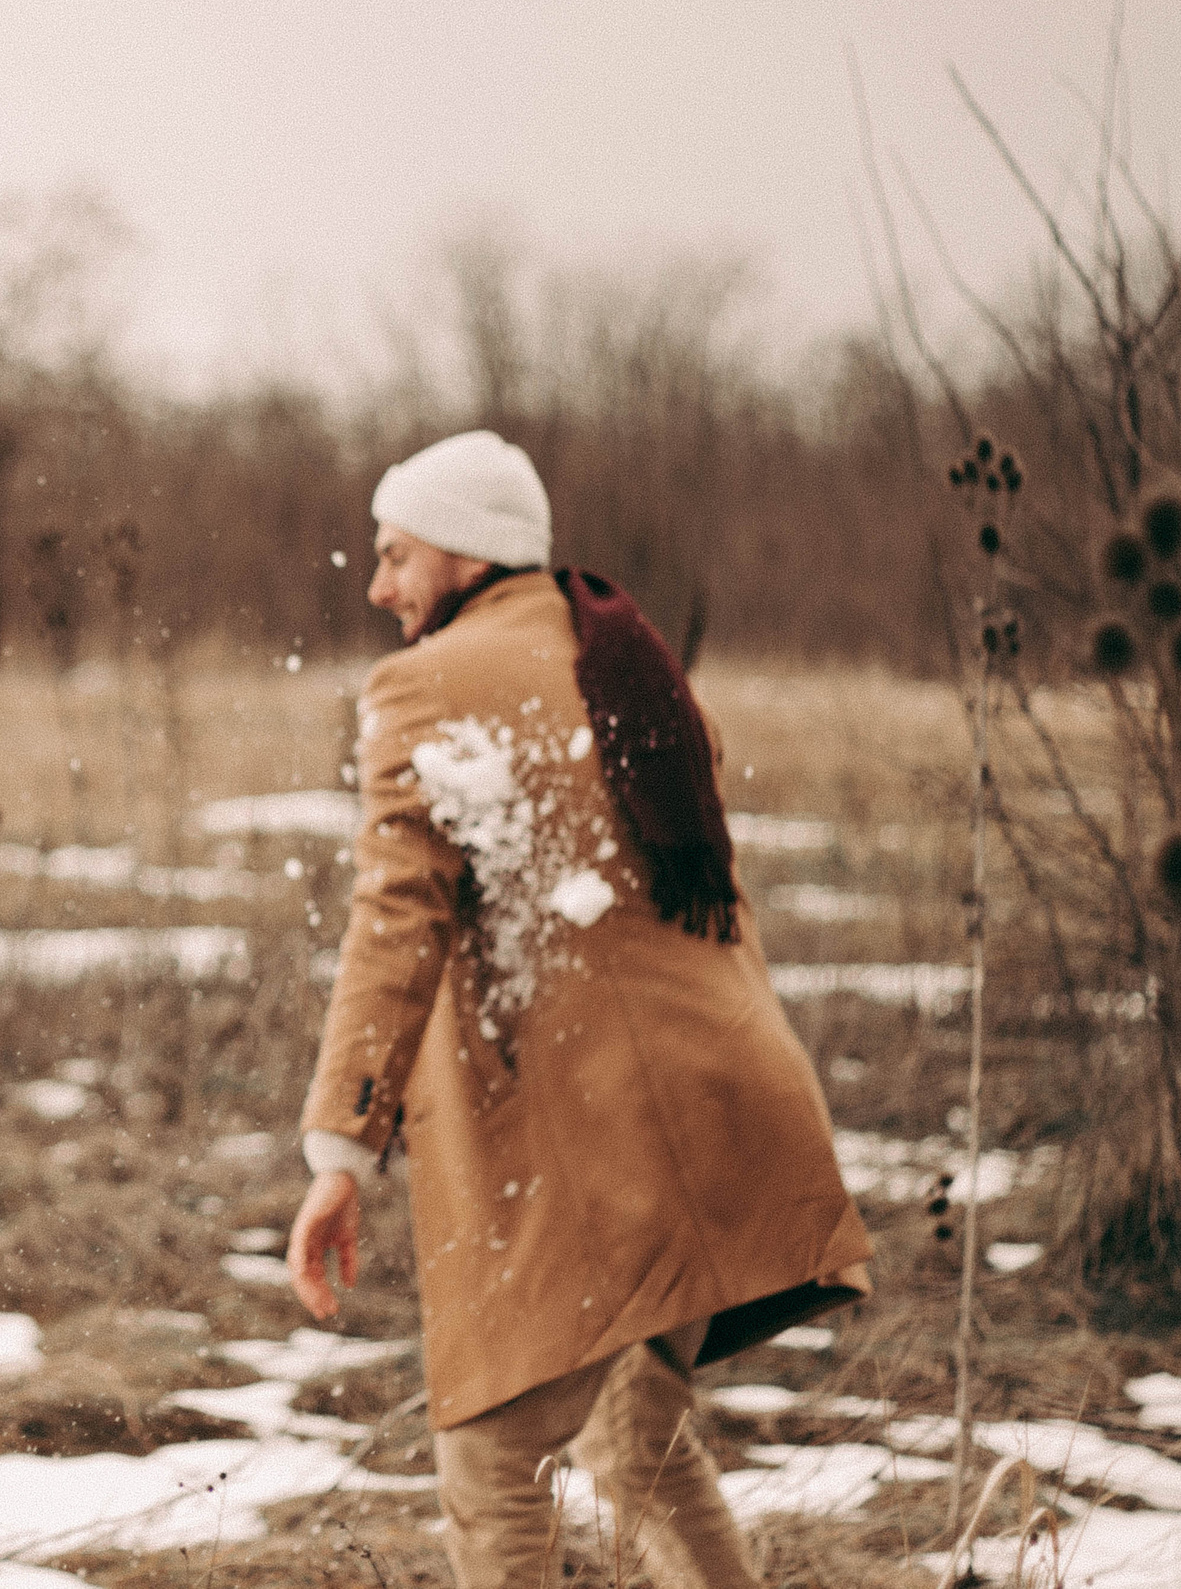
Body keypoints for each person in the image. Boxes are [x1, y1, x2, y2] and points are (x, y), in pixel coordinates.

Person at [286, 430, 872, 1589]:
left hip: (602, 1139)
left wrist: (339, 1151)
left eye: (395, 554)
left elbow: (394, 924)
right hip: (730, 1100)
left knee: (490, 1458)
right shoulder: (627, 654)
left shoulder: (422, 686)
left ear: (461, 554)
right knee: (631, 1437)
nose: (378, 586)